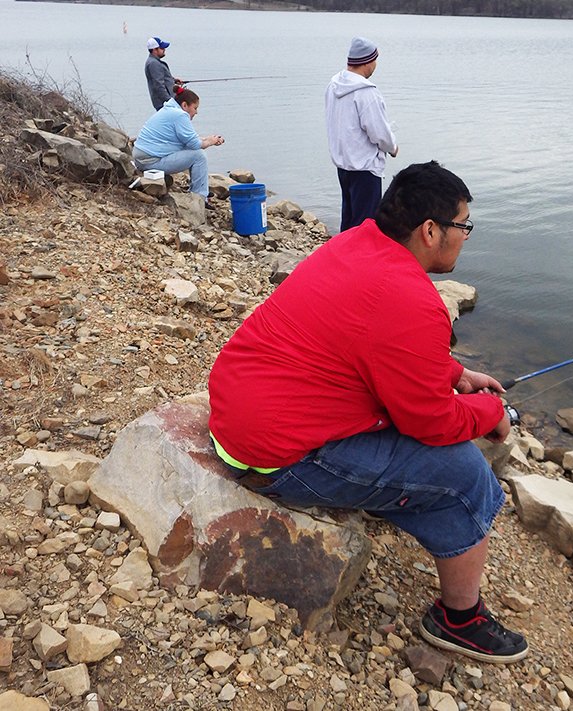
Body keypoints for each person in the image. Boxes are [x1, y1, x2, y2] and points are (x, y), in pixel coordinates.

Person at [207, 161, 529, 664]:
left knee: (428, 433)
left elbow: (375, 339)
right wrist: (489, 413)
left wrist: (454, 374)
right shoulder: (411, 296)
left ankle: (386, 500)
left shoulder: (355, 244)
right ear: (430, 231)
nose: (466, 236)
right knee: (465, 474)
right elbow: (432, 423)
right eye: (464, 226)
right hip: (276, 457)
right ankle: (459, 620)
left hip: (236, 416)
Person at [325, 36, 398, 233]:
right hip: (365, 167)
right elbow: (379, 133)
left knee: (349, 219)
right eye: (375, 60)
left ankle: (343, 258)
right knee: (365, 224)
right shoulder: (367, 93)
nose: (375, 65)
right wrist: (393, 147)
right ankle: (359, 262)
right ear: (367, 61)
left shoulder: (333, 85)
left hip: (344, 164)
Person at [132, 88, 224, 201]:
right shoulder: (179, 115)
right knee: (199, 156)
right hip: (150, 162)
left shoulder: (169, 110)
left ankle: (200, 190)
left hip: (142, 159)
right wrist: (211, 142)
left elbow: (187, 139)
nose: (196, 112)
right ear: (185, 105)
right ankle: (199, 197)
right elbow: (195, 144)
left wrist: (208, 138)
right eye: (195, 108)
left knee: (195, 152)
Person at [145, 36, 182, 111]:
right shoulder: (154, 64)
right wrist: (170, 101)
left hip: (165, 103)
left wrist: (173, 80)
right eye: (162, 48)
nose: (164, 50)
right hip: (164, 104)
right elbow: (158, 85)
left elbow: (160, 78)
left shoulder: (154, 62)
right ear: (154, 50)